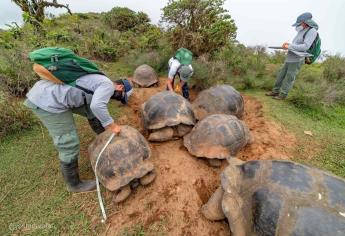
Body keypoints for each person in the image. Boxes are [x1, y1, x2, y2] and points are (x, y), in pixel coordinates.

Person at [24, 65, 133, 193]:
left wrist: (108, 128)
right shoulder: (108, 86)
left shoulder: (100, 80)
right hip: (47, 100)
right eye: (121, 96)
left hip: (50, 91)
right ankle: (74, 185)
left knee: (90, 109)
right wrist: (113, 125)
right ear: (120, 88)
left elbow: (93, 108)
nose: (117, 99)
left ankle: (106, 138)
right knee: (68, 141)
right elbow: (98, 106)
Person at [266, 12, 319, 100]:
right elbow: (296, 44)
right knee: (281, 75)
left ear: (305, 22)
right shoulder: (301, 31)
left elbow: (306, 46)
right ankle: (275, 91)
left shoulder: (312, 31)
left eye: (299, 23)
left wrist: (289, 46)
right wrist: (287, 46)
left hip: (297, 59)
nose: (298, 25)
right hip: (290, 57)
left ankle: (282, 95)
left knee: (289, 78)